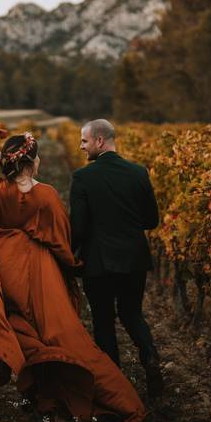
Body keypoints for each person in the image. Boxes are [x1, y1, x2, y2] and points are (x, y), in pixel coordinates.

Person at [0, 115, 146, 422]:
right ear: (32, 162)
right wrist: (74, 266)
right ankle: (123, 403)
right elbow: (61, 242)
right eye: (37, 157)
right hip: (41, 273)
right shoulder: (47, 196)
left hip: (6, 270)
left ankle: (34, 385)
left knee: (23, 327)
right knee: (64, 335)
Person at [69, 119, 164, 400]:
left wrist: (68, 257)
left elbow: (79, 228)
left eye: (84, 141)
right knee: (132, 313)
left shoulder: (83, 178)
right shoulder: (138, 173)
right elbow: (151, 220)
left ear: (99, 141)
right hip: (134, 259)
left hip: (98, 263)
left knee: (103, 321)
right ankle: (150, 355)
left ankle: (116, 387)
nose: (81, 146)